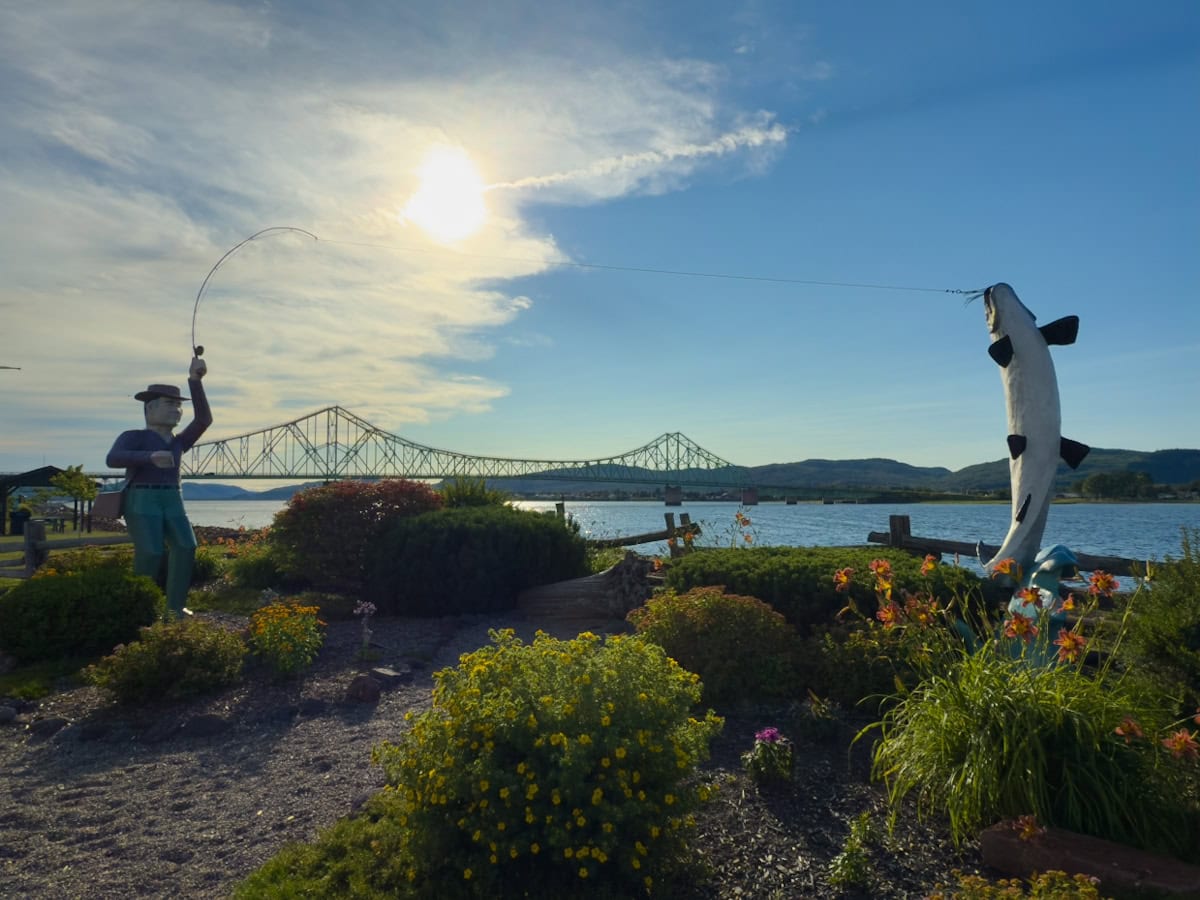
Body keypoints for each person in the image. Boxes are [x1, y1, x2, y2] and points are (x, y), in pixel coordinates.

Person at [107, 356, 211, 619]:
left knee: (186, 546)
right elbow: (113, 459)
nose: (176, 410)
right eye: (170, 405)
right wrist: (148, 457)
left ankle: (174, 608)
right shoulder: (135, 437)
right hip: (142, 499)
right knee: (151, 552)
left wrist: (195, 381)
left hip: (173, 497)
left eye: (179, 406)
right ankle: (139, 608)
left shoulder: (179, 441)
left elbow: (203, 420)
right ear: (150, 409)